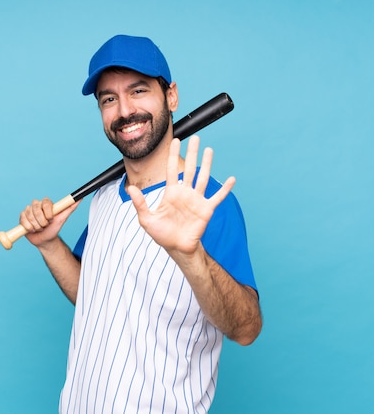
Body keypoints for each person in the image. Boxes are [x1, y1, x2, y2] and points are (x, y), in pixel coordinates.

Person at [19, 34, 262, 413]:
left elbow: (247, 329)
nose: (124, 110)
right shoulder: (102, 201)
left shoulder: (209, 204)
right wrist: (50, 245)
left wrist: (190, 255)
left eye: (138, 90)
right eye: (109, 99)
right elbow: (95, 295)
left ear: (171, 96)